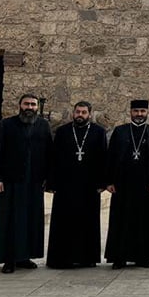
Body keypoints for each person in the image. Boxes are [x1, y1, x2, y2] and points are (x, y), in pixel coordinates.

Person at [0, 93, 52, 274]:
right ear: (20, 105)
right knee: (10, 221)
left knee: (30, 220)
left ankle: (25, 256)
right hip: (11, 182)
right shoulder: (6, 125)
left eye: (33, 104)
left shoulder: (43, 126)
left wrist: (49, 179)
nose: (30, 107)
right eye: (27, 104)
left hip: (34, 182)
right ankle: (8, 259)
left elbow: (49, 153)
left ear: (37, 107)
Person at [46, 101, 107, 269]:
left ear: (89, 114)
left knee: (88, 222)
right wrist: (52, 182)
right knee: (64, 222)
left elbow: (103, 159)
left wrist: (102, 183)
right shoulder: (63, 131)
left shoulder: (99, 132)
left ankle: (87, 258)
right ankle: (61, 258)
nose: (80, 115)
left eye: (84, 112)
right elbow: (54, 158)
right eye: (78, 112)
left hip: (89, 185)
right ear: (73, 113)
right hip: (66, 185)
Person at [104, 99, 149, 269]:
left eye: (142, 111)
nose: (139, 114)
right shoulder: (120, 131)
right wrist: (109, 181)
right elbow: (111, 156)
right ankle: (119, 257)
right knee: (121, 222)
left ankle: (143, 258)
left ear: (147, 113)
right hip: (123, 186)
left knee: (144, 222)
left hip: (146, 186)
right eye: (136, 111)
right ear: (130, 112)